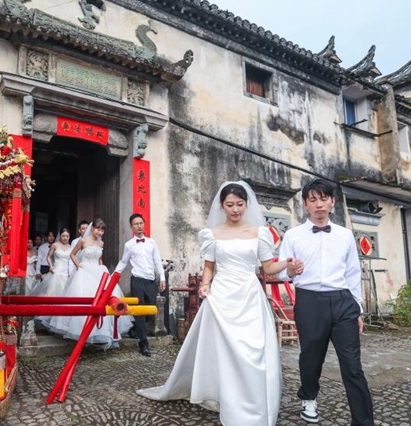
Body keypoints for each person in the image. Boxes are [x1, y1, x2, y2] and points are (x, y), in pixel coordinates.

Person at [137, 181, 288, 426]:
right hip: (222, 295)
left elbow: (268, 267)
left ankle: (253, 400)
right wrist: (205, 284)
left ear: (246, 204)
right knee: (224, 349)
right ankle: (223, 394)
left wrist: (287, 266)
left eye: (240, 204)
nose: (235, 209)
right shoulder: (213, 234)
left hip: (249, 296)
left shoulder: (259, 233)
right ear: (222, 205)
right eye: (230, 205)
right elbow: (209, 267)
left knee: (253, 350)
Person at [277, 179, 374, 425]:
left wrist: (358, 310)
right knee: (311, 357)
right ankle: (308, 397)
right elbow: (279, 273)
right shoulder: (293, 235)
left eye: (323, 199)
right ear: (305, 204)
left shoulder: (344, 235)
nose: (319, 205)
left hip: (343, 302)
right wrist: (291, 270)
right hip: (309, 301)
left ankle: (363, 420)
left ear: (332, 202)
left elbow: (353, 273)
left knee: (352, 365)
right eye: (313, 199)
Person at [47, 219, 133, 348]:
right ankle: (83, 332)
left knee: (105, 300)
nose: (100, 232)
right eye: (98, 229)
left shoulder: (101, 243)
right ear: (92, 229)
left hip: (98, 272)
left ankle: (103, 333)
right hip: (84, 271)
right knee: (84, 298)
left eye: (102, 230)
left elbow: (99, 258)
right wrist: (78, 266)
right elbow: (72, 254)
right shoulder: (83, 241)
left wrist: (102, 267)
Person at [113, 213, 165, 357]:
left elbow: (157, 261)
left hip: (150, 281)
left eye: (141, 223)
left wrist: (162, 278)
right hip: (137, 280)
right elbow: (123, 262)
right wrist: (113, 277)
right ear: (131, 227)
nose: (139, 226)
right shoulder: (129, 245)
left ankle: (135, 327)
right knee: (140, 310)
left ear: (144, 224)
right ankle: (143, 344)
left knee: (151, 308)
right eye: (136, 224)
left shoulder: (151, 243)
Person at [33, 228, 73, 326]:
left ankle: (62, 320)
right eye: (63, 236)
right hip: (57, 272)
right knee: (53, 294)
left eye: (67, 236)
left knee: (65, 294)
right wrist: (51, 266)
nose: (65, 238)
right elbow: (48, 257)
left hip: (66, 273)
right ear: (60, 236)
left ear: (69, 237)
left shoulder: (70, 246)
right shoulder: (55, 245)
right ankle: (49, 317)